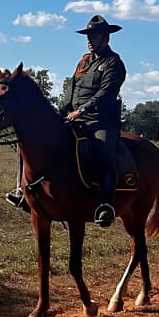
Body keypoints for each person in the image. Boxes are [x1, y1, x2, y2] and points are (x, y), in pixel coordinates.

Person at [60, 14, 127, 227]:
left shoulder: (114, 63)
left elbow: (106, 93)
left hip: (101, 121)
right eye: (88, 35)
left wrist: (82, 109)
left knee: (104, 153)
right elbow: (72, 88)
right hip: (74, 117)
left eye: (94, 35)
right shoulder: (84, 60)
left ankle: (106, 204)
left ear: (105, 37)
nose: (89, 40)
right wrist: (61, 110)